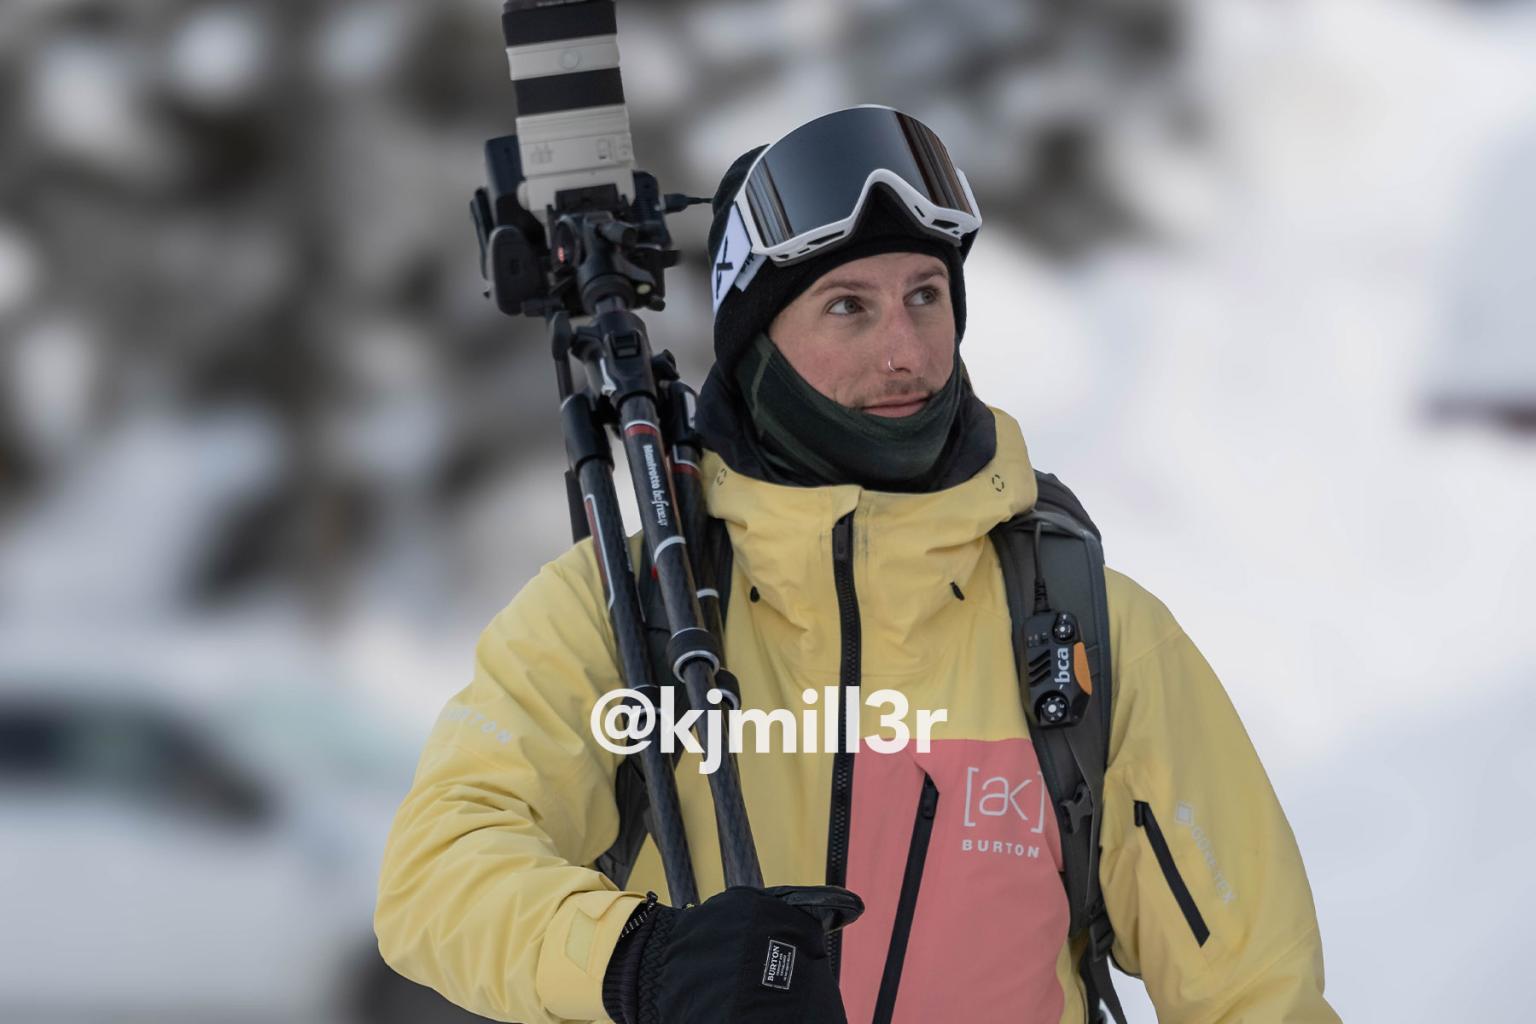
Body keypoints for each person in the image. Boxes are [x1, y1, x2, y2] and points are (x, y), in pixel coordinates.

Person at [374, 106, 1341, 1024]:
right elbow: (436, 875)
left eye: (926, 296)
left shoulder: (1087, 631)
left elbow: (1256, 992)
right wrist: (639, 962)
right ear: (758, 345)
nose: (905, 351)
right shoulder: (623, 616)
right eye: (848, 306)